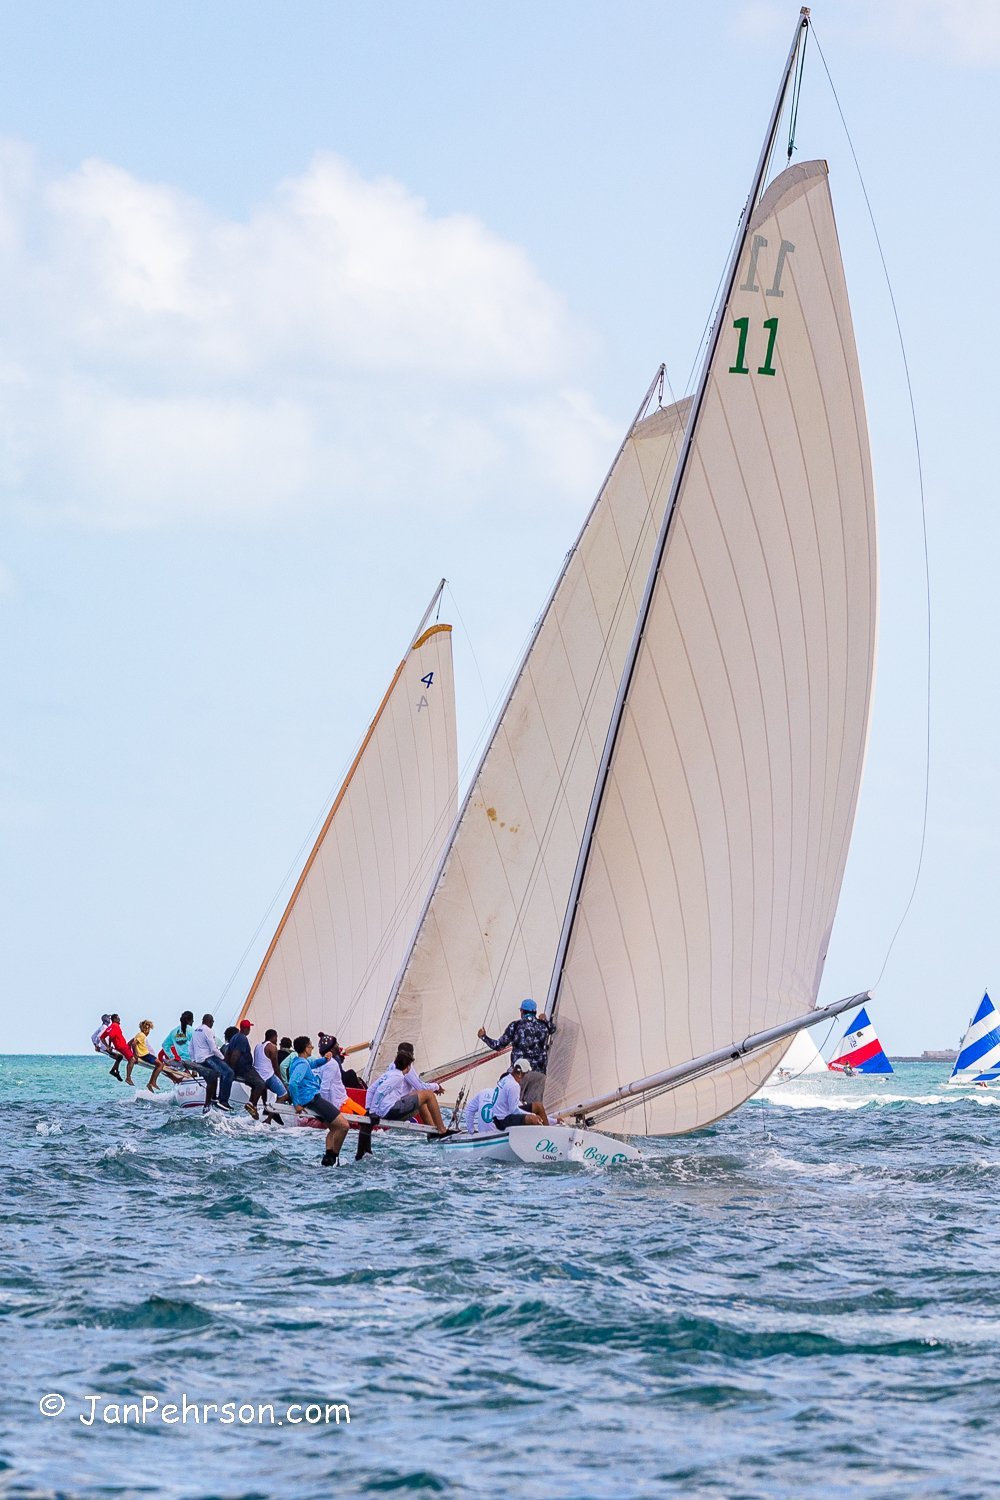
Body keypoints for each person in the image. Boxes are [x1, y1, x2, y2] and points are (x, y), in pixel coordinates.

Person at [477, 998, 555, 1124]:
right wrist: (545, 1020)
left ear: (522, 1011)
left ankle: (508, 1130)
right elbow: (553, 1029)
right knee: (534, 1107)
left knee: (515, 1107)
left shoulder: (516, 1025)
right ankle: (540, 1132)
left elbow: (498, 1045)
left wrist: (483, 1036)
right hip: (540, 1073)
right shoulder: (544, 1026)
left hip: (521, 1073)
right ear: (535, 1012)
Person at [286, 1036, 350, 1166]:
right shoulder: (302, 1065)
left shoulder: (299, 1061)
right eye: (310, 1046)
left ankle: (327, 1159)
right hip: (312, 1099)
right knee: (344, 1126)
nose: (312, 1047)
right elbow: (293, 1083)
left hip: (311, 1099)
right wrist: (296, 1103)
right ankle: (334, 1157)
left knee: (334, 1128)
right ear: (305, 1049)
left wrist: (325, 1059)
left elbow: (312, 1064)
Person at [365, 1043, 448, 1134]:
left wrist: (369, 1110)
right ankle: (442, 1130)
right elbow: (420, 1087)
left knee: (421, 1097)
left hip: (384, 1109)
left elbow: (371, 1089)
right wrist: (436, 1086)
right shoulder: (400, 1075)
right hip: (390, 1111)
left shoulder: (391, 1069)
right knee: (429, 1095)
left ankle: (433, 1132)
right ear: (409, 1061)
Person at [189, 1014, 235, 1112]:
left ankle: (213, 1099)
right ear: (210, 1021)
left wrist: (194, 1061)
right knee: (228, 1072)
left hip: (199, 1059)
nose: (213, 1023)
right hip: (208, 1058)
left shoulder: (196, 1031)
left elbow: (190, 1048)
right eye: (212, 1021)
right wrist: (223, 1059)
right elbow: (214, 1049)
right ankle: (223, 1101)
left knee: (213, 1078)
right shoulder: (208, 1030)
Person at [223, 1019, 268, 1117]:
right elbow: (235, 1055)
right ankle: (252, 1104)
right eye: (249, 1028)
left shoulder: (234, 1037)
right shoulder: (242, 1038)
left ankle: (252, 1105)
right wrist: (231, 1070)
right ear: (247, 1029)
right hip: (244, 1069)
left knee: (254, 1085)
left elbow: (228, 1053)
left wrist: (227, 1067)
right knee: (261, 1084)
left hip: (241, 1069)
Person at [125, 1020, 184, 1090]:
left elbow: (129, 1043)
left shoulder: (139, 1034)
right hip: (145, 1055)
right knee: (160, 1065)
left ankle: (153, 1082)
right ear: (146, 1029)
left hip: (144, 1054)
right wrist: (135, 1055)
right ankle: (152, 1082)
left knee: (160, 1065)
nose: (149, 1032)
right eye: (149, 1030)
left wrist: (130, 1053)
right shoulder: (142, 1035)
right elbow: (133, 1044)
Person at [490, 1058, 543, 1131]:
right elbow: (514, 1110)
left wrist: (553, 1121)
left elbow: (516, 1106)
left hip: (500, 1116)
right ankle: (545, 1136)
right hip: (502, 1120)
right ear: (520, 1074)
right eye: (525, 1074)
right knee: (532, 1119)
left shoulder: (505, 1079)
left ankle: (549, 1130)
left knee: (538, 1106)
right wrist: (533, 1115)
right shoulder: (514, 1086)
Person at [253, 1028, 289, 1105]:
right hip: (268, 1076)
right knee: (284, 1095)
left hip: (258, 1076)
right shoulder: (272, 1047)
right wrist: (282, 1080)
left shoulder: (258, 1046)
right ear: (273, 1037)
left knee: (264, 1089)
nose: (276, 1040)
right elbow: (275, 1066)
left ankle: (265, 1107)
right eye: (276, 1037)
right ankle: (272, 1113)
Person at [99, 1015, 134, 1082]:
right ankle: (128, 1078)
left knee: (119, 1057)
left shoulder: (110, 1027)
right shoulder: (115, 1025)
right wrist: (108, 1046)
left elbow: (102, 1037)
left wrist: (107, 1046)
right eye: (118, 1018)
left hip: (119, 1046)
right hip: (122, 1046)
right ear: (114, 1019)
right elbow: (111, 1037)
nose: (119, 1019)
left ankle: (113, 1070)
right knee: (132, 1059)